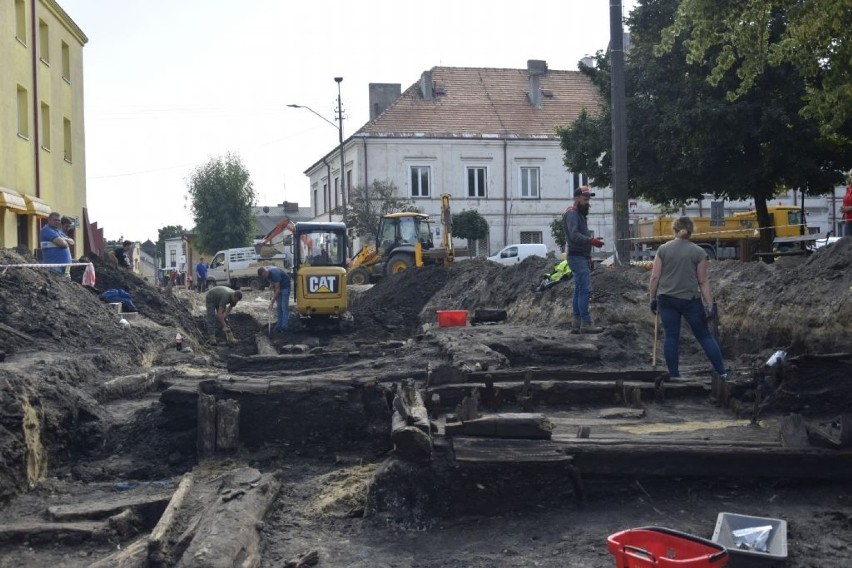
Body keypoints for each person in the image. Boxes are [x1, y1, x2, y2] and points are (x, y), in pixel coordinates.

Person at [648, 216, 727, 381]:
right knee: (704, 336)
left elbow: (655, 277)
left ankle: (675, 376)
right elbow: (703, 281)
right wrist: (710, 305)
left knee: (671, 337)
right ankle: (722, 372)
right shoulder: (699, 252)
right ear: (691, 230)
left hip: (667, 299)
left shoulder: (663, 249)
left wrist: (652, 298)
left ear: (674, 229)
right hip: (690, 300)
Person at [563, 186, 604, 333]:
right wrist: (590, 241)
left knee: (579, 289)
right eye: (585, 199)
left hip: (580, 256)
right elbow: (574, 236)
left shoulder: (578, 214)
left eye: (588, 199)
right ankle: (585, 323)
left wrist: (589, 252)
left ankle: (577, 322)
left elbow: (578, 236)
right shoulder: (573, 214)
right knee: (585, 289)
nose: (588, 202)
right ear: (577, 198)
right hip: (576, 256)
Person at [258, 266, 291, 332]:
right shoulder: (267, 274)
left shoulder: (274, 274)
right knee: (279, 308)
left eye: (263, 275)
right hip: (278, 286)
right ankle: (279, 326)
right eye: (262, 276)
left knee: (284, 307)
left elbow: (277, 290)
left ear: (265, 272)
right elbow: (272, 281)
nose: (263, 277)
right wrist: (271, 284)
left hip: (285, 286)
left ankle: (284, 328)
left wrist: (272, 302)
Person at [841, 169, 852, 237]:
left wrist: (849, 208)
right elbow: (846, 202)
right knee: (847, 242)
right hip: (848, 220)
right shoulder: (848, 189)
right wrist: (843, 208)